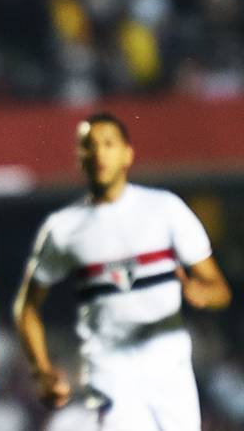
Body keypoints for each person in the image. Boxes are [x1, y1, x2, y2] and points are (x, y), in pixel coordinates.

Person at [13, 112, 232, 431]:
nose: (99, 153)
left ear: (127, 153)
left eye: (108, 143)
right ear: (80, 157)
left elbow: (219, 290)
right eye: (90, 146)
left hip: (168, 360)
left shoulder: (165, 209)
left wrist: (203, 292)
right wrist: (41, 369)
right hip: (110, 365)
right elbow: (27, 306)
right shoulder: (64, 229)